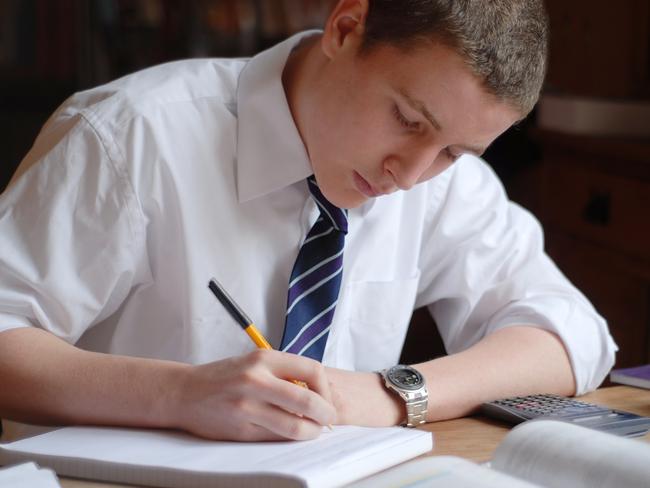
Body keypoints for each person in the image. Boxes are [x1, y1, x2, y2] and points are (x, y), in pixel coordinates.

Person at [0, 0, 615, 442]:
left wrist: (388, 394)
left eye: (454, 151)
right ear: (346, 27)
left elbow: (570, 335)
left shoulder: (440, 185)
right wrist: (179, 394)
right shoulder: (132, 136)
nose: (410, 173)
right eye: (407, 118)